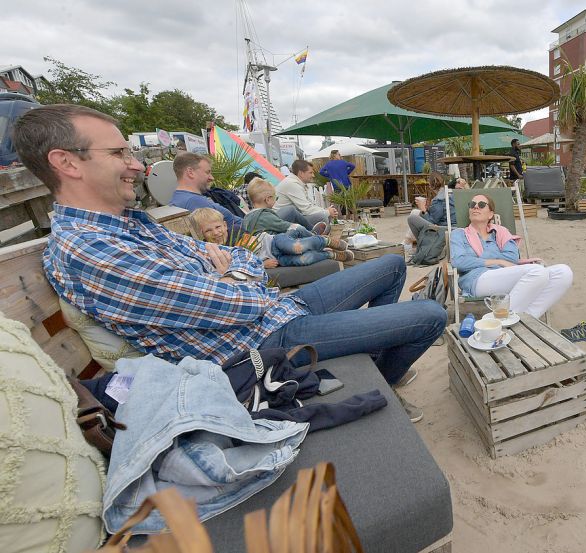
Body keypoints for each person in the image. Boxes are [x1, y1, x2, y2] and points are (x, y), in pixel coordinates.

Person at [13, 104, 443, 421]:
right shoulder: (90, 252)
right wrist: (230, 272)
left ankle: (378, 357)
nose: (136, 164)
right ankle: (385, 379)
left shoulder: (130, 226)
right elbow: (239, 303)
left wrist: (227, 271)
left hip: (280, 310)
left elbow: (237, 258)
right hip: (259, 343)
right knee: (430, 314)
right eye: (119, 153)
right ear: (66, 162)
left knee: (390, 265)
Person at [449, 193, 572, 318]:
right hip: (477, 279)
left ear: (490, 214)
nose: (475, 207)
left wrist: (475, 259)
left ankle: (527, 318)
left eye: (481, 205)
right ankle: (501, 319)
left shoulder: (501, 232)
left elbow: (512, 257)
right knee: (538, 271)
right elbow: (458, 261)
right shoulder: (459, 234)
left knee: (563, 272)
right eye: (472, 205)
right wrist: (498, 261)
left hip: (507, 275)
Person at [191, 207, 352, 266]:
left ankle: (325, 240)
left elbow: (247, 254)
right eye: (209, 231)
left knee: (296, 247)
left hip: (274, 243)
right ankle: (330, 254)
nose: (216, 233)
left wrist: (259, 261)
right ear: (202, 235)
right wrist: (263, 264)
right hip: (275, 258)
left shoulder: (236, 232)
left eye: (218, 227)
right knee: (304, 259)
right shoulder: (214, 251)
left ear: (225, 225)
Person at [244, 179, 340, 244]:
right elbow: (283, 225)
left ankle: (312, 234)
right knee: (297, 228)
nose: (276, 200)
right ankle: (315, 236)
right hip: (275, 243)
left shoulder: (248, 216)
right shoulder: (265, 215)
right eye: (275, 198)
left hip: (266, 243)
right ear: (268, 199)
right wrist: (296, 227)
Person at [169, 152, 244, 234]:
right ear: (190, 172)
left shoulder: (179, 198)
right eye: (207, 172)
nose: (212, 178)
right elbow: (217, 235)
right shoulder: (193, 201)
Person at [274, 159, 338, 231]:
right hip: (282, 221)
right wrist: (327, 212)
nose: (313, 175)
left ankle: (318, 237)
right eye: (310, 173)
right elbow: (306, 209)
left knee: (323, 215)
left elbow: (309, 205)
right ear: (301, 173)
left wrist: (326, 211)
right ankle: (319, 238)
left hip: (289, 218)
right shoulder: (292, 184)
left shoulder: (295, 182)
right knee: (321, 217)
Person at [406, 175, 468, 243]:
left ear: (430, 186)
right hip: (460, 228)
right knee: (415, 212)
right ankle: (408, 240)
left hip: (447, 229)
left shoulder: (441, 199)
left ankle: (420, 244)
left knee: (412, 217)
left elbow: (432, 222)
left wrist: (423, 209)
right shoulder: (465, 197)